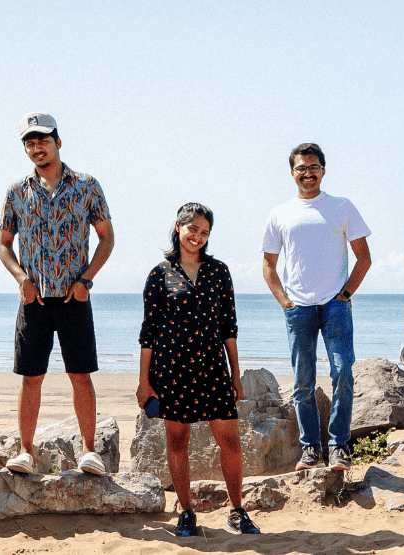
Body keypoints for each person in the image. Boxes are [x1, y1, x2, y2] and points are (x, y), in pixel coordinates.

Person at [0, 113, 115, 475]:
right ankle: (26, 452)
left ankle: (90, 451)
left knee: (80, 375)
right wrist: (22, 279)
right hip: (33, 299)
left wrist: (86, 281)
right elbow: (3, 244)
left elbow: (106, 238)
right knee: (31, 377)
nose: (36, 147)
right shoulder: (17, 191)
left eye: (42, 140)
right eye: (29, 142)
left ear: (58, 142)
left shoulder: (87, 185)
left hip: (73, 297)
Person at [137, 203, 264, 537]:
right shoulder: (158, 274)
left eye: (204, 232)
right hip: (171, 371)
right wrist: (143, 382)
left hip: (212, 369)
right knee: (178, 442)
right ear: (178, 226)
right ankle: (186, 513)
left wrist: (235, 375)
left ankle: (237, 512)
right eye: (192, 228)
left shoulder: (219, 272)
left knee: (230, 442)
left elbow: (229, 328)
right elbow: (148, 333)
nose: (197, 236)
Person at [262, 143, 370, 471]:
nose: (307, 173)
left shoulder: (341, 207)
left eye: (314, 167)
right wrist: (285, 302)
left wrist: (346, 292)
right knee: (302, 381)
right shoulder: (279, 213)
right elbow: (268, 265)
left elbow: (363, 258)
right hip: (299, 309)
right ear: (292, 173)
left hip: (336, 305)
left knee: (344, 374)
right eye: (301, 168)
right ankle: (311, 450)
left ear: (323, 170)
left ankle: (338, 447)